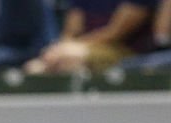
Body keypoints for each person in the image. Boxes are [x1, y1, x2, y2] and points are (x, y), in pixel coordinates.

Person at [24, 0, 158, 74]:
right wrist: (61, 47)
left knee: (70, 61)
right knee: (34, 68)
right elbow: (71, 31)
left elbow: (114, 33)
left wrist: (72, 48)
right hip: (81, 49)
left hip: (124, 51)